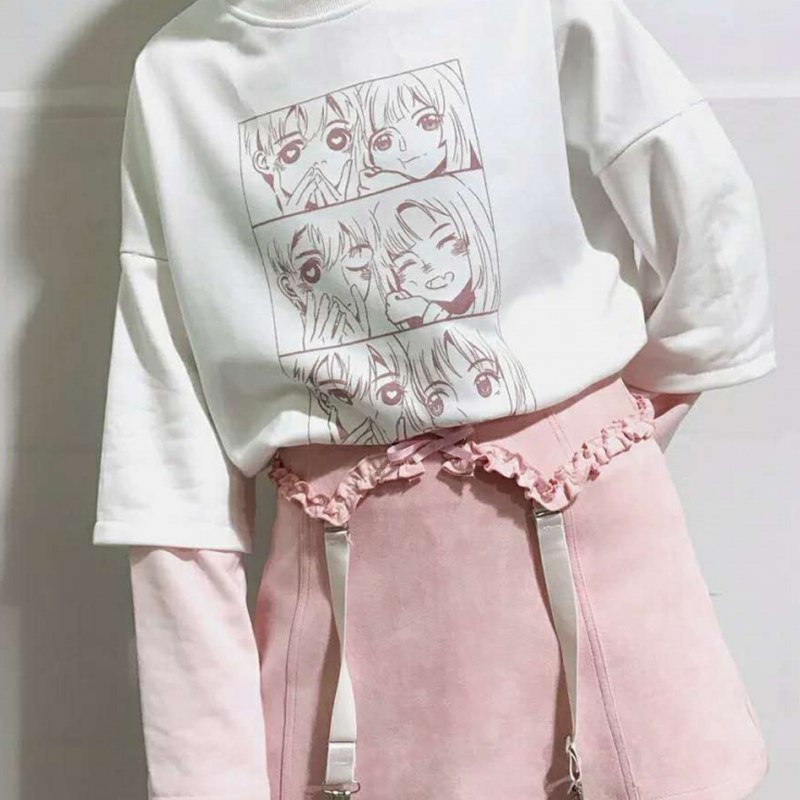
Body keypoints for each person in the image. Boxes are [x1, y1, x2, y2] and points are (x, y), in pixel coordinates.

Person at [93, 0, 777, 798]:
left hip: (600, 591)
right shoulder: (181, 76)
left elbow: (711, 248)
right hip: (354, 641)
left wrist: (588, 448)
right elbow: (169, 472)